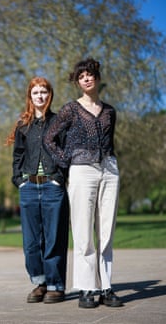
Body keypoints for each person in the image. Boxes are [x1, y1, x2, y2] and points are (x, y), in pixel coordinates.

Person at [44, 58, 122, 308]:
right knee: (83, 231)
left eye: (90, 75)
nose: (86, 79)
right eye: (81, 76)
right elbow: (50, 138)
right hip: (81, 172)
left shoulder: (110, 111)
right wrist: (67, 160)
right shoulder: (70, 109)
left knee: (106, 231)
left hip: (109, 170)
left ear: (97, 78)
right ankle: (87, 288)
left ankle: (106, 286)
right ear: (78, 82)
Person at [5, 76, 69, 304]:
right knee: (31, 243)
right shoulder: (23, 126)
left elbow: (66, 153)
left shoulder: (59, 122)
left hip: (53, 187)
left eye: (43, 92)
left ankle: (55, 286)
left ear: (49, 95)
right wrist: (19, 180)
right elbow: (18, 156)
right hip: (29, 187)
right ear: (30, 97)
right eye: (35, 93)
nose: (40, 96)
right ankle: (40, 282)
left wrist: (59, 178)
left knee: (54, 239)